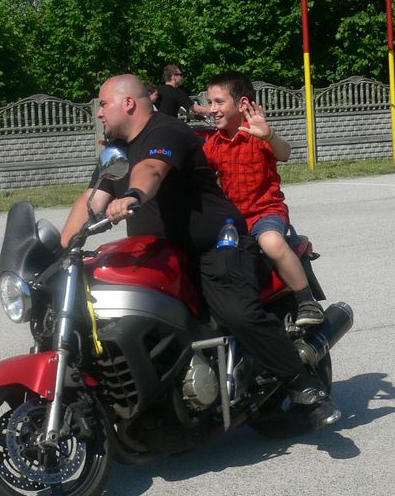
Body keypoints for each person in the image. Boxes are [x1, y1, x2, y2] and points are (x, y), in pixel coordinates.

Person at [59, 74, 340, 429]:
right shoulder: (115, 150)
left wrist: (132, 196)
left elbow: (151, 170)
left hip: (214, 243)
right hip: (163, 256)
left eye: (103, 104)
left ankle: (303, 386)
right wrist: (62, 251)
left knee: (236, 311)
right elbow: (92, 198)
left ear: (128, 103)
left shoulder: (165, 132)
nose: (99, 112)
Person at [202, 71, 324, 327]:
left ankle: (306, 300)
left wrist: (269, 136)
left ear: (242, 104)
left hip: (265, 212)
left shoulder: (258, 135)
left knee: (271, 242)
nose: (212, 109)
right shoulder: (214, 144)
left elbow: (285, 153)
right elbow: (200, 173)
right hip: (233, 219)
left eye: (219, 102)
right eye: (210, 102)